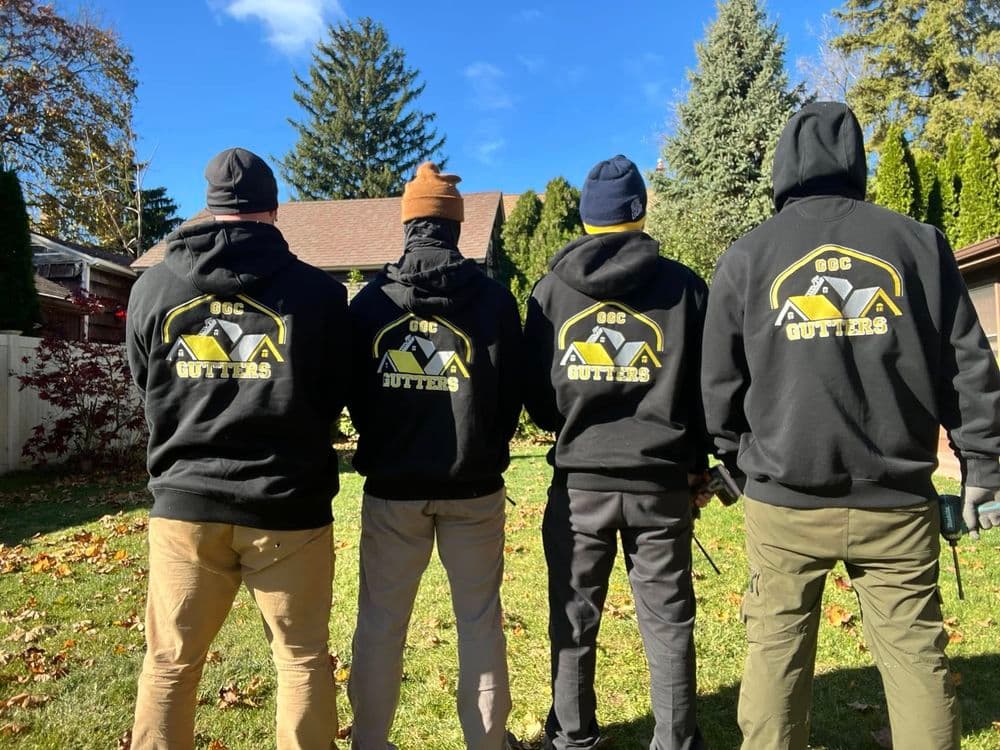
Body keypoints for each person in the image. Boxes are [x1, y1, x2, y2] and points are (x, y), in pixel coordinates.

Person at [701, 102, 1000, 750]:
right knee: (917, 657)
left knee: (774, 655)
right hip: (897, 499)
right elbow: (967, 365)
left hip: (783, 501)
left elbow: (719, 384)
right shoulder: (918, 245)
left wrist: (733, 458)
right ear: (856, 163)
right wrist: (982, 464)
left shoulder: (749, 256)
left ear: (784, 167)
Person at [126, 147, 347, 750]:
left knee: (170, 661)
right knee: (301, 660)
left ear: (212, 206)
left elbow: (146, 384)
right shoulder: (320, 295)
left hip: (184, 506)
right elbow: (334, 393)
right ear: (274, 210)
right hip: (287, 507)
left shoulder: (153, 288)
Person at [524, 155, 709, 750]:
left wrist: (576, 425)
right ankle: (675, 740)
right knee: (669, 620)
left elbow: (538, 398)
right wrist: (697, 458)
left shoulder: (551, 293)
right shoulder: (683, 289)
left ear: (585, 216)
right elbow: (705, 388)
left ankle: (573, 736)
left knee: (574, 619)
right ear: (640, 211)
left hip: (580, 485)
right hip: (661, 483)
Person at [346, 162, 523, 750]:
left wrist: (383, 439)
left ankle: (369, 742)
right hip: (473, 489)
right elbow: (508, 397)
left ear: (407, 223)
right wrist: (484, 446)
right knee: (480, 623)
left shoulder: (370, 306)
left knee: (380, 623)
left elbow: (354, 395)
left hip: (393, 491)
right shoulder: (495, 304)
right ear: (455, 226)